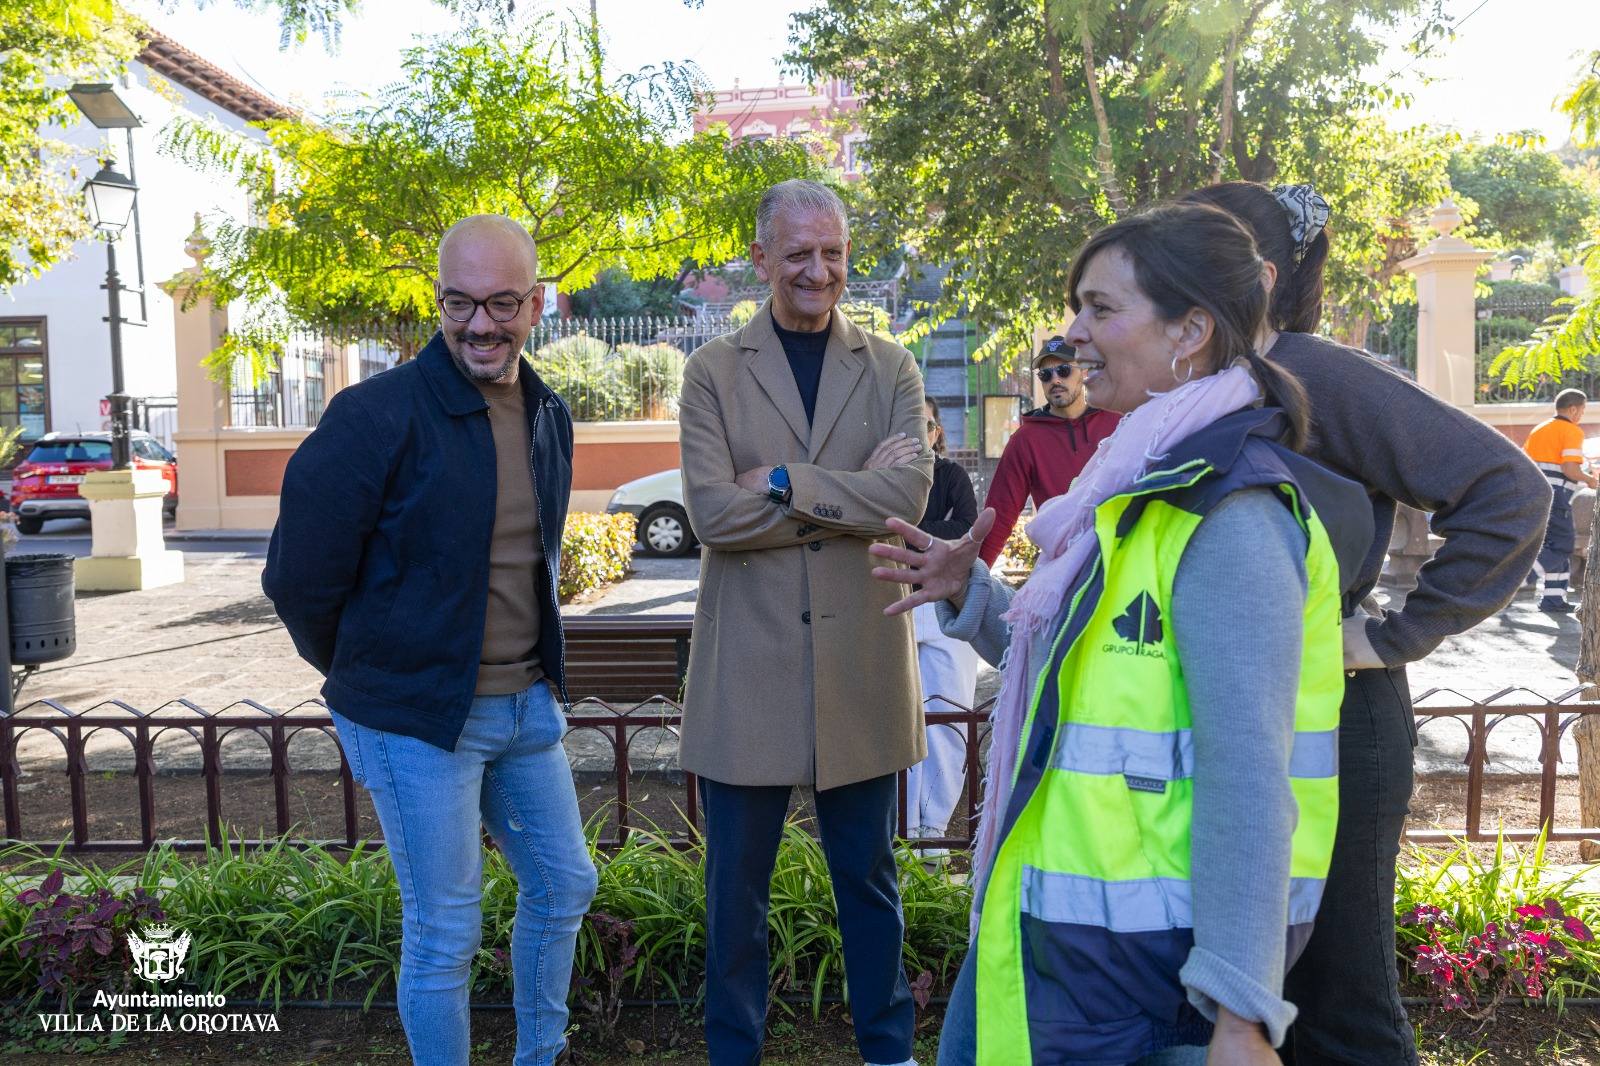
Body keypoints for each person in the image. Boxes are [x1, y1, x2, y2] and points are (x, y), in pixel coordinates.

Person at [872, 202, 1373, 1066]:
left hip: (1142, 984)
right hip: (1063, 953)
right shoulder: (1141, 484)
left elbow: (1247, 777)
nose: (1073, 334)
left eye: (1102, 309)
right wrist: (979, 596)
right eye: (1077, 308)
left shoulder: (1230, 515)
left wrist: (1241, 1016)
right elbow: (1094, 674)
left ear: (1191, 330)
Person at [1184, 181, 1551, 1066]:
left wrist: (1392, 635)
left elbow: (1511, 493)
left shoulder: (1313, 370)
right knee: (1248, 997)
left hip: (1340, 715)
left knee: (1339, 1006)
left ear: (1255, 273)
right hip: (1248, 710)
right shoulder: (1209, 383)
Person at [263, 215, 596, 1066]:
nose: (480, 324)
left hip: (523, 706)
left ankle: (540, 1054)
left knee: (565, 885)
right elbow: (299, 580)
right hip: (414, 717)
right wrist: (374, 679)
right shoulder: (372, 416)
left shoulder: (547, 411)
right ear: (438, 300)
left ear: (536, 304)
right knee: (446, 928)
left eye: (501, 303)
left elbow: (536, 557)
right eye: (459, 302)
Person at [676, 179, 934, 1066]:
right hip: (747, 670)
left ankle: (889, 1051)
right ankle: (733, 1054)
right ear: (761, 260)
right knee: (735, 894)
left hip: (860, 665)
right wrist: (845, 489)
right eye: (797, 254)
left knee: (869, 883)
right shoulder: (711, 371)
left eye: (832, 253)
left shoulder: (893, 365)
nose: (818, 271)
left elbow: (908, 495)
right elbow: (711, 515)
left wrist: (779, 482)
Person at [905, 395, 980, 852]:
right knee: (899, 721)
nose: (920, 433)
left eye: (927, 424)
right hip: (894, 602)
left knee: (949, 716)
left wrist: (914, 532)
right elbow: (877, 528)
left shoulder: (952, 476)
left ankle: (931, 833)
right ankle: (900, 828)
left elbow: (968, 530)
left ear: (937, 432)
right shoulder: (885, 480)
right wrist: (937, 532)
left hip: (946, 605)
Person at [976, 335, 1119, 566]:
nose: (1055, 380)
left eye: (1063, 370)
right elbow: (999, 515)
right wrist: (973, 584)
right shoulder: (1025, 440)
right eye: (1045, 374)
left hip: (1121, 558)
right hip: (1062, 568)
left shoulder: (1117, 422)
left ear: (1083, 371)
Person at [1523, 388, 1596, 613]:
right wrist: (1590, 480)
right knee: (1563, 545)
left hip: (1533, 494)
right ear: (1573, 409)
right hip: (1556, 495)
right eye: (1582, 410)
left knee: (1555, 546)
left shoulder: (1539, 429)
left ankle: (1553, 600)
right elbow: (1570, 468)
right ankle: (1522, 579)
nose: (1582, 415)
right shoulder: (1571, 431)